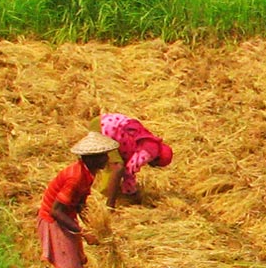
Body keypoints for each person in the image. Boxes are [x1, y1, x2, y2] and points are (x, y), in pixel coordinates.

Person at [38, 131, 119, 268]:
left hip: (67, 216)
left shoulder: (89, 174)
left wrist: (93, 225)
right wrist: (84, 233)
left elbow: (79, 203)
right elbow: (56, 211)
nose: (107, 159)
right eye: (103, 156)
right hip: (54, 221)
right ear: (92, 159)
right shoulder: (75, 178)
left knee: (75, 259)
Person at [89, 113, 174, 209]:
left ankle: (103, 192)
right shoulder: (151, 151)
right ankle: (110, 205)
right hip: (105, 129)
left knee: (111, 163)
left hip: (100, 121)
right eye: (156, 165)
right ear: (157, 159)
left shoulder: (149, 140)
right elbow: (130, 169)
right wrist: (131, 192)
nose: (152, 166)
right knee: (118, 167)